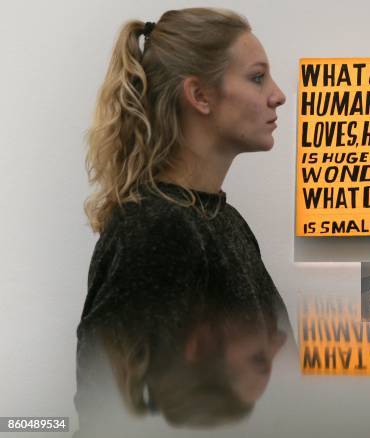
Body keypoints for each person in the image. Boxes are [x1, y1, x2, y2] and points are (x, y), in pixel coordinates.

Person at [75, 7, 290, 431]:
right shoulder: (156, 227)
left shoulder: (224, 222)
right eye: (257, 77)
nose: (278, 95)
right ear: (200, 96)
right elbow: (110, 412)